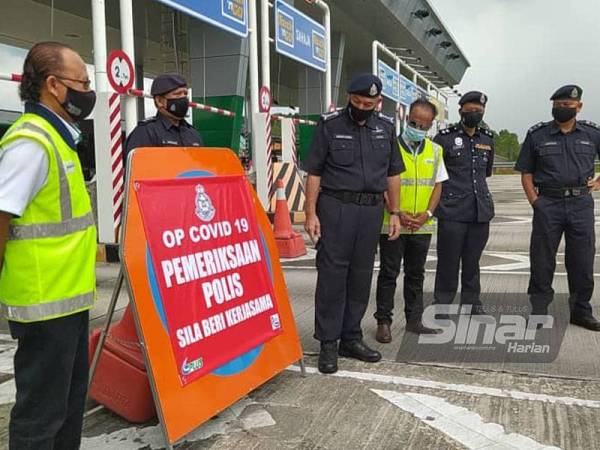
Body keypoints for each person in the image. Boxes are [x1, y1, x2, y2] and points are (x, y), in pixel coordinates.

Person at [0, 41, 97, 449]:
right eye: (83, 82)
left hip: (68, 301)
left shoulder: (61, 139)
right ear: (54, 85)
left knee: (68, 408)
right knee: (41, 417)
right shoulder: (31, 143)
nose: (87, 91)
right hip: (43, 304)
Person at [304, 73, 404, 374]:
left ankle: (351, 337)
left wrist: (395, 212)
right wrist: (311, 212)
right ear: (349, 98)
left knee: (361, 276)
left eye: (369, 103)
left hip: (371, 211)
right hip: (336, 208)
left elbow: (393, 173)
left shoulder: (385, 128)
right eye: (358, 102)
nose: (363, 107)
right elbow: (314, 172)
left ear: (378, 102)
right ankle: (328, 342)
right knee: (333, 275)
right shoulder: (330, 125)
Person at [515, 85, 600, 331]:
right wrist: (536, 202)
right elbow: (526, 172)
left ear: (578, 107)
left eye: (567, 105)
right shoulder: (537, 134)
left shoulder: (592, 133)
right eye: (558, 105)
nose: (561, 109)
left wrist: (597, 182)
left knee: (582, 261)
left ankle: (581, 311)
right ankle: (539, 311)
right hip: (548, 204)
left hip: (581, 204)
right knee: (542, 260)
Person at [374, 99, 448, 342]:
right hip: (393, 223)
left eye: (424, 126)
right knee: (389, 273)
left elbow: (437, 185)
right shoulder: (389, 146)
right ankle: (383, 321)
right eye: (415, 123)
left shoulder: (435, 151)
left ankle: (414, 320)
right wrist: (395, 211)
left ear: (430, 126)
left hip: (421, 225)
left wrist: (427, 214)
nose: (418, 128)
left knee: (416, 275)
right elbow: (382, 182)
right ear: (407, 120)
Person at [432, 91, 495, 315]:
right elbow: (435, 174)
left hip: (480, 211)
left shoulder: (487, 138)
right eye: (471, 110)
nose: (475, 114)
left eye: (479, 111)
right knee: (448, 261)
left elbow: (486, 173)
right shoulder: (444, 138)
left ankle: (471, 302)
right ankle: (442, 304)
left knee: (472, 261)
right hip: (452, 211)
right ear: (460, 111)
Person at [124, 73, 203, 156]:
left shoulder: (193, 134)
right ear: (159, 101)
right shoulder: (145, 133)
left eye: (185, 94)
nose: (183, 98)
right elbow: (136, 166)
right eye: (177, 94)